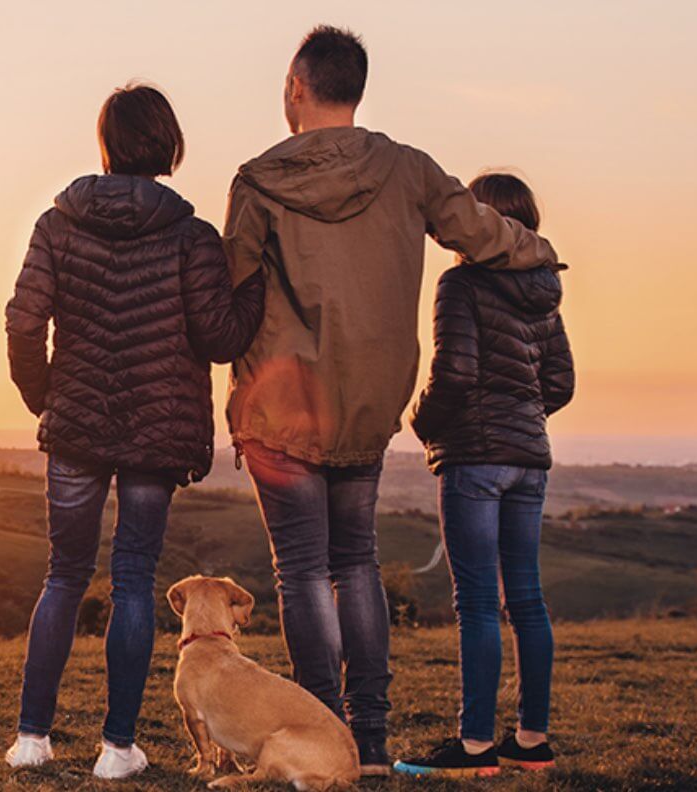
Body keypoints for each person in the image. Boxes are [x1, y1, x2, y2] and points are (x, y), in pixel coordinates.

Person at [222, 26, 560, 774]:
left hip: (282, 410)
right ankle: (370, 743)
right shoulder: (409, 171)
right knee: (357, 564)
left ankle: (323, 733)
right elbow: (482, 234)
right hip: (371, 404)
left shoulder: (258, 181)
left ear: (295, 88)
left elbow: (230, 296)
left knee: (303, 573)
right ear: (358, 87)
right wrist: (541, 256)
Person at [3, 82, 265, 780]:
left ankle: (32, 739)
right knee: (135, 582)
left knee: (63, 575)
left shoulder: (56, 225)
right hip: (156, 432)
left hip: (76, 429)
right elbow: (218, 336)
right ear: (167, 145)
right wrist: (256, 286)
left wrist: (47, 399)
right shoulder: (192, 236)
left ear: (107, 144)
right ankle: (118, 750)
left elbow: (24, 322)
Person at [393, 173, 573, 778]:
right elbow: (560, 384)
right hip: (529, 458)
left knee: (475, 602)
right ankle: (532, 741)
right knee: (526, 598)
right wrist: (520, 418)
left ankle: (473, 749)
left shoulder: (461, 284)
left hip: (474, 457)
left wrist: (421, 421)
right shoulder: (545, 292)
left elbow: (457, 372)